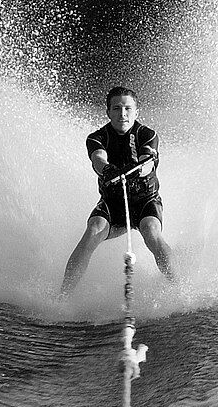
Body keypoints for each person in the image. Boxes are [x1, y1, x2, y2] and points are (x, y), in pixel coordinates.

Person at [60, 86, 175, 297]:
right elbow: (98, 159)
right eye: (117, 108)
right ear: (108, 112)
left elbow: (149, 160)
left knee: (150, 230)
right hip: (113, 204)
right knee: (93, 229)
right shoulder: (97, 137)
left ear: (136, 112)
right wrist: (107, 169)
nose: (122, 114)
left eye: (128, 109)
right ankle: (63, 297)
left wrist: (140, 168)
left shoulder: (147, 134)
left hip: (145, 201)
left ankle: (180, 289)